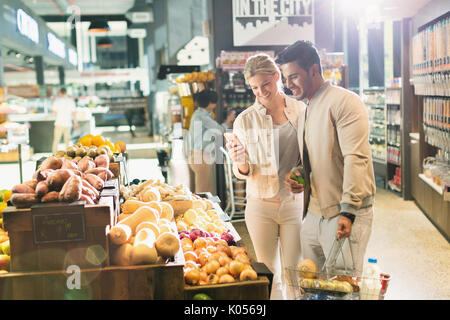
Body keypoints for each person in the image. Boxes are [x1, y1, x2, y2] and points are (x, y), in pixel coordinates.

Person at [277, 40, 376, 276]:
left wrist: (349, 210)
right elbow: (309, 162)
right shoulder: (306, 110)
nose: (288, 86)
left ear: (313, 70)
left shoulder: (344, 102)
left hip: (343, 212)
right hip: (314, 213)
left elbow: (356, 157)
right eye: (286, 79)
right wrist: (297, 175)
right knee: (313, 283)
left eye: (294, 77)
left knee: (342, 285)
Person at [225, 53, 306, 300]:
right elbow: (242, 174)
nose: (261, 92)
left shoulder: (301, 110)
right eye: (255, 88)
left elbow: (310, 160)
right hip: (260, 206)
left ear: (277, 77)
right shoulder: (245, 120)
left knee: (295, 274)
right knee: (269, 275)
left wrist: (301, 178)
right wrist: (240, 160)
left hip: (294, 205)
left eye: (266, 85)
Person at [187, 89, 224, 195]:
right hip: (201, 156)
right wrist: (227, 122)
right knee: (203, 191)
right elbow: (220, 130)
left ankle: (203, 210)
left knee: (202, 188)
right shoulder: (202, 116)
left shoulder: (198, 114)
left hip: (196, 154)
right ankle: (202, 211)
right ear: (211, 103)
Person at [51, 87, 78, 154]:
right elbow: (74, 113)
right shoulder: (71, 101)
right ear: (66, 92)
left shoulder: (57, 101)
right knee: (67, 141)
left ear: (60, 93)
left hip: (59, 123)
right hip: (68, 124)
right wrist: (75, 123)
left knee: (56, 140)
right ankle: (68, 155)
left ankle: (54, 154)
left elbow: (53, 113)